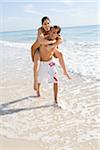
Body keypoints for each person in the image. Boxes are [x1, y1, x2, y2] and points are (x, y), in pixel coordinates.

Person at [31, 16, 71, 91]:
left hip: (49, 48)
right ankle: (35, 81)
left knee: (60, 54)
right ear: (42, 25)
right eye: (44, 24)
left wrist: (55, 44)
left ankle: (65, 71)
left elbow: (60, 39)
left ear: (50, 23)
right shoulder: (40, 30)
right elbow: (41, 41)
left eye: (48, 23)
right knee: (36, 63)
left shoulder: (53, 29)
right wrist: (53, 42)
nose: (46, 25)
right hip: (38, 49)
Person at [34, 25, 72, 104]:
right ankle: (38, 92)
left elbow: (59, 54)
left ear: (57, 35)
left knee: (56, 81)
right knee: (39, 80)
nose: (52, 33)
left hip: (50, 63)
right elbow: (42, 43)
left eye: (54, 33)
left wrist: (65, 71)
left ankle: (55, 100)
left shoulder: (56, 41)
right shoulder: (44, 39)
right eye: (51, 31)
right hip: (42, 63)